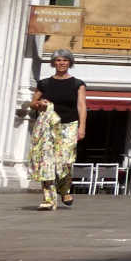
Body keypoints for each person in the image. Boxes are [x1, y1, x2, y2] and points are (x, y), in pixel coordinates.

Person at [29, 50, 87, 211]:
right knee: (45, 161)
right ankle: (48, 199)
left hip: (69, 125)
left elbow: (81, 106)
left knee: (65, 161)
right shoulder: (44, 83)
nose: (61, 63)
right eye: (58, 60)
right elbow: (33, 103)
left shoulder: (78, 84)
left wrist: (82, 127)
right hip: (47, 126)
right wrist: (39, 104)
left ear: (70, 63)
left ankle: (64, 189)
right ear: (53, 63)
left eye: (65, 60)